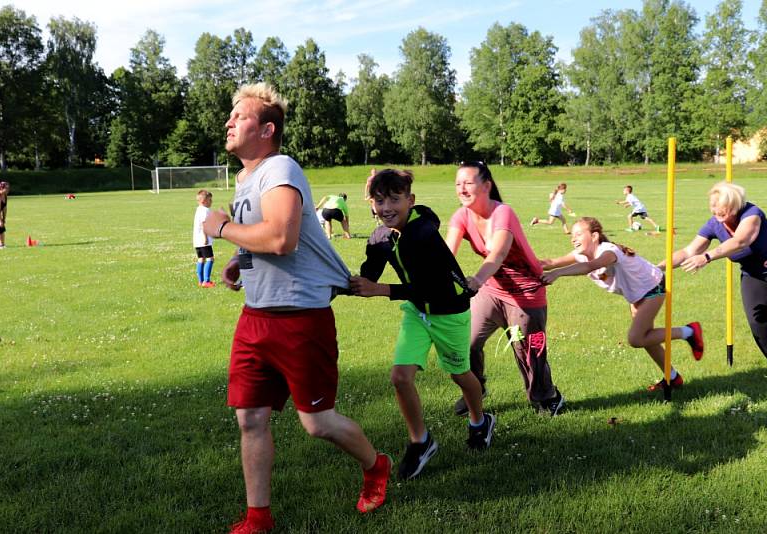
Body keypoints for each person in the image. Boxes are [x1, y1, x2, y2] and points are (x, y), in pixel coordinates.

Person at [203, 82, 391, 534]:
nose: (229, 122)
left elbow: (282, 240)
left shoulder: (280, 167)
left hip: (301, 320)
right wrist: (236, 261)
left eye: (239, 117)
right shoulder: (246, 179)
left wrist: (223, 228)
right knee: (250, 418)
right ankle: (258, 519)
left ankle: (376, 465)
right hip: (255, 316)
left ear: (266, 129)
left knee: (318, 423)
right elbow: (264, 236)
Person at [350, 169, 496, 481]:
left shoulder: (423, 233)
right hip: (417, 312)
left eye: (394, 199)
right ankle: (421, 441)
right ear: (371, 204)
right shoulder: (380, 238)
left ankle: (479, 419)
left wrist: (383, 290)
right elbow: (368, 278)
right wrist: (334, 283)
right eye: (379, 200)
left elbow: (436, 288)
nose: (386, 207)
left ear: (410, 200)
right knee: (400, 377)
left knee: (460, 374)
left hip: (449, 311)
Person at [446, 162, 565, 416]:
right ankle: (474, 390)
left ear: (486, 185)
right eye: (458, 184)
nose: (462, 189)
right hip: (492, 289)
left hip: (526, 293)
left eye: (468, 183)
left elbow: (498, 253)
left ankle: (548, 396)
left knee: (529, 352)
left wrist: (476, 280)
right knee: (466, 342)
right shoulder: (461, 216)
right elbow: (447, 254)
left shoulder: (503, 213)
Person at [540, 217, 704, 391]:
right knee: (646, 338)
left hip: (653, 286)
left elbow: (591, 266)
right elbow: (550, 263)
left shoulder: (608, 251)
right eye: (572, 235)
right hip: (636, 294)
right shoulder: (580, 255)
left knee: (636, 338)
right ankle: (672, 377)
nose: (573, 238)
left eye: (579, 234)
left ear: (594, 236)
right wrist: (521, 264)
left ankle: (690, 331)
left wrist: (558, 273)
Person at [665, 181, 767, 391]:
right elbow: (689, 251)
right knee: (758, 326)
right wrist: (658, 267)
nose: (716, 209)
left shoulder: (752, 214)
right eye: (713, 205)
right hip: (753, 275)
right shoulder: (713, 224)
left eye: (721, 205)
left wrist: (707, 257)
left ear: (734, 205)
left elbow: (741, 241)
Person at [193, 189, 216, 288]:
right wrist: (206, 237)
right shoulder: (204, 210)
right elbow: (204, 224)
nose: (211, 202)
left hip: (197, 240)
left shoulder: (198, 209)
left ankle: (201, 281)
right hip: (203, 240)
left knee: (201, 259)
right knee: (210, 258)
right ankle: (206, 281)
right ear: (204, 201)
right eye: (210, 200)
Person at [0, 181, 7, 249]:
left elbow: (4, 208)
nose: (7, 189)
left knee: (2, 228)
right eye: (6, 188)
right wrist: (0, 220)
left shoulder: (5, 196)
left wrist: (4, 219)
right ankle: (0, 245)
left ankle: (2, 245)